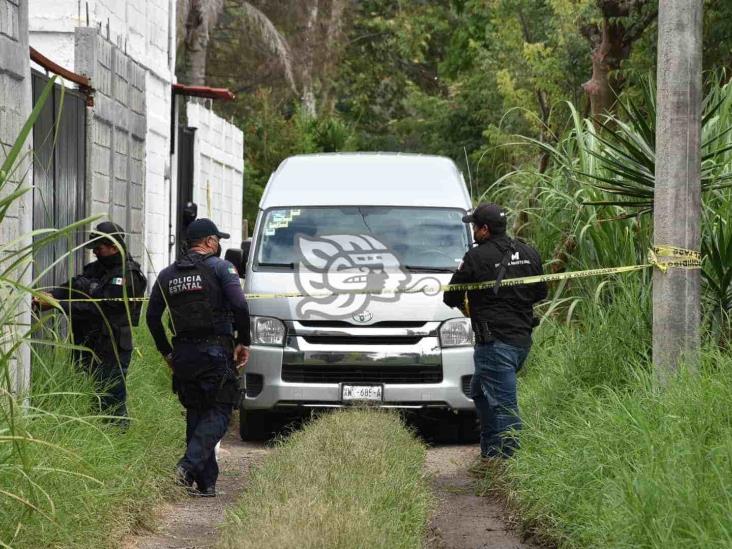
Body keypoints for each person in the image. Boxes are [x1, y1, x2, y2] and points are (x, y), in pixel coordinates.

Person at [146, 218, 251, 497]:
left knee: (197, 413)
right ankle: (185, 467)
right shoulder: (221, 267)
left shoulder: (167, 274)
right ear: (209, 242)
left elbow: (152, 317)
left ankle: (205, 483)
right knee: (220, 410)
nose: (218, 245)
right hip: (216, 351)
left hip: (184, 354)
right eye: (217, 240)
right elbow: (240, 303)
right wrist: (244, 341)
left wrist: (166, 352)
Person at [443, 203, 547, 459]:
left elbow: (450, 296)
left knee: (503, 406)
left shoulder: (476, 258)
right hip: (521, 341)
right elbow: (540, 292)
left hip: (494, 344)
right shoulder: (528, 252)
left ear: (485, 230)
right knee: (479, 390)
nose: (474, 230)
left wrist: (471, 305)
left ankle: (509, 464)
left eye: (475, 226)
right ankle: (491, 454)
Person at [34, 221, 147, 424]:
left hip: (110, 348)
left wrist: (57, 305)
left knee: (111, 403)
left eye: (99, 248)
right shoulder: (97, 268)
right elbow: (75, 286)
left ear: (114, 246)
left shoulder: (129, 276)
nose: (94, 252)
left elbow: (99, 310)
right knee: (88, 399)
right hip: (86, 345)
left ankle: (117, 441)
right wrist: (51, 294)